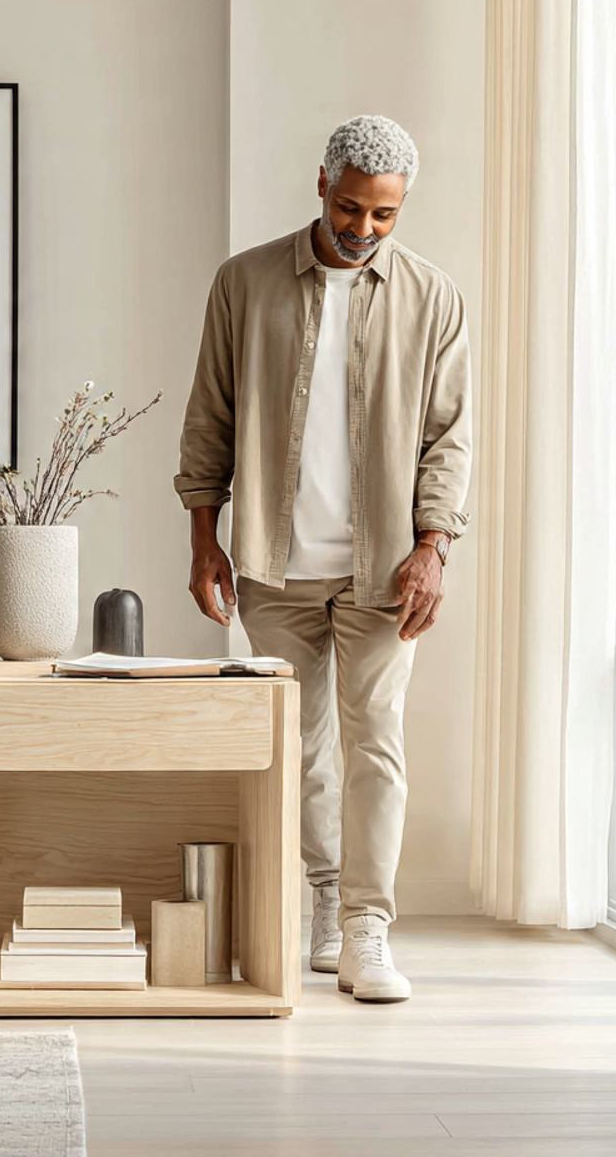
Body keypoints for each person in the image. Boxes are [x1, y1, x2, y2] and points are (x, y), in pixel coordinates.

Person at [174, 115, 472, 1002]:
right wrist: (205, 541)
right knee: (296, 751)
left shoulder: (434, 298)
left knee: (375, 746)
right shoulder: (246, 283)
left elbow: (450, 439)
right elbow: (210, 417)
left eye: (385, 216)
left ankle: (368, 930)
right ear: (320, 185)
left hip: (385, 568)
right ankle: (324, 900)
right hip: (275, 561)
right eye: (351, 209)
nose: (364, 230)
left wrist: (433, 548)